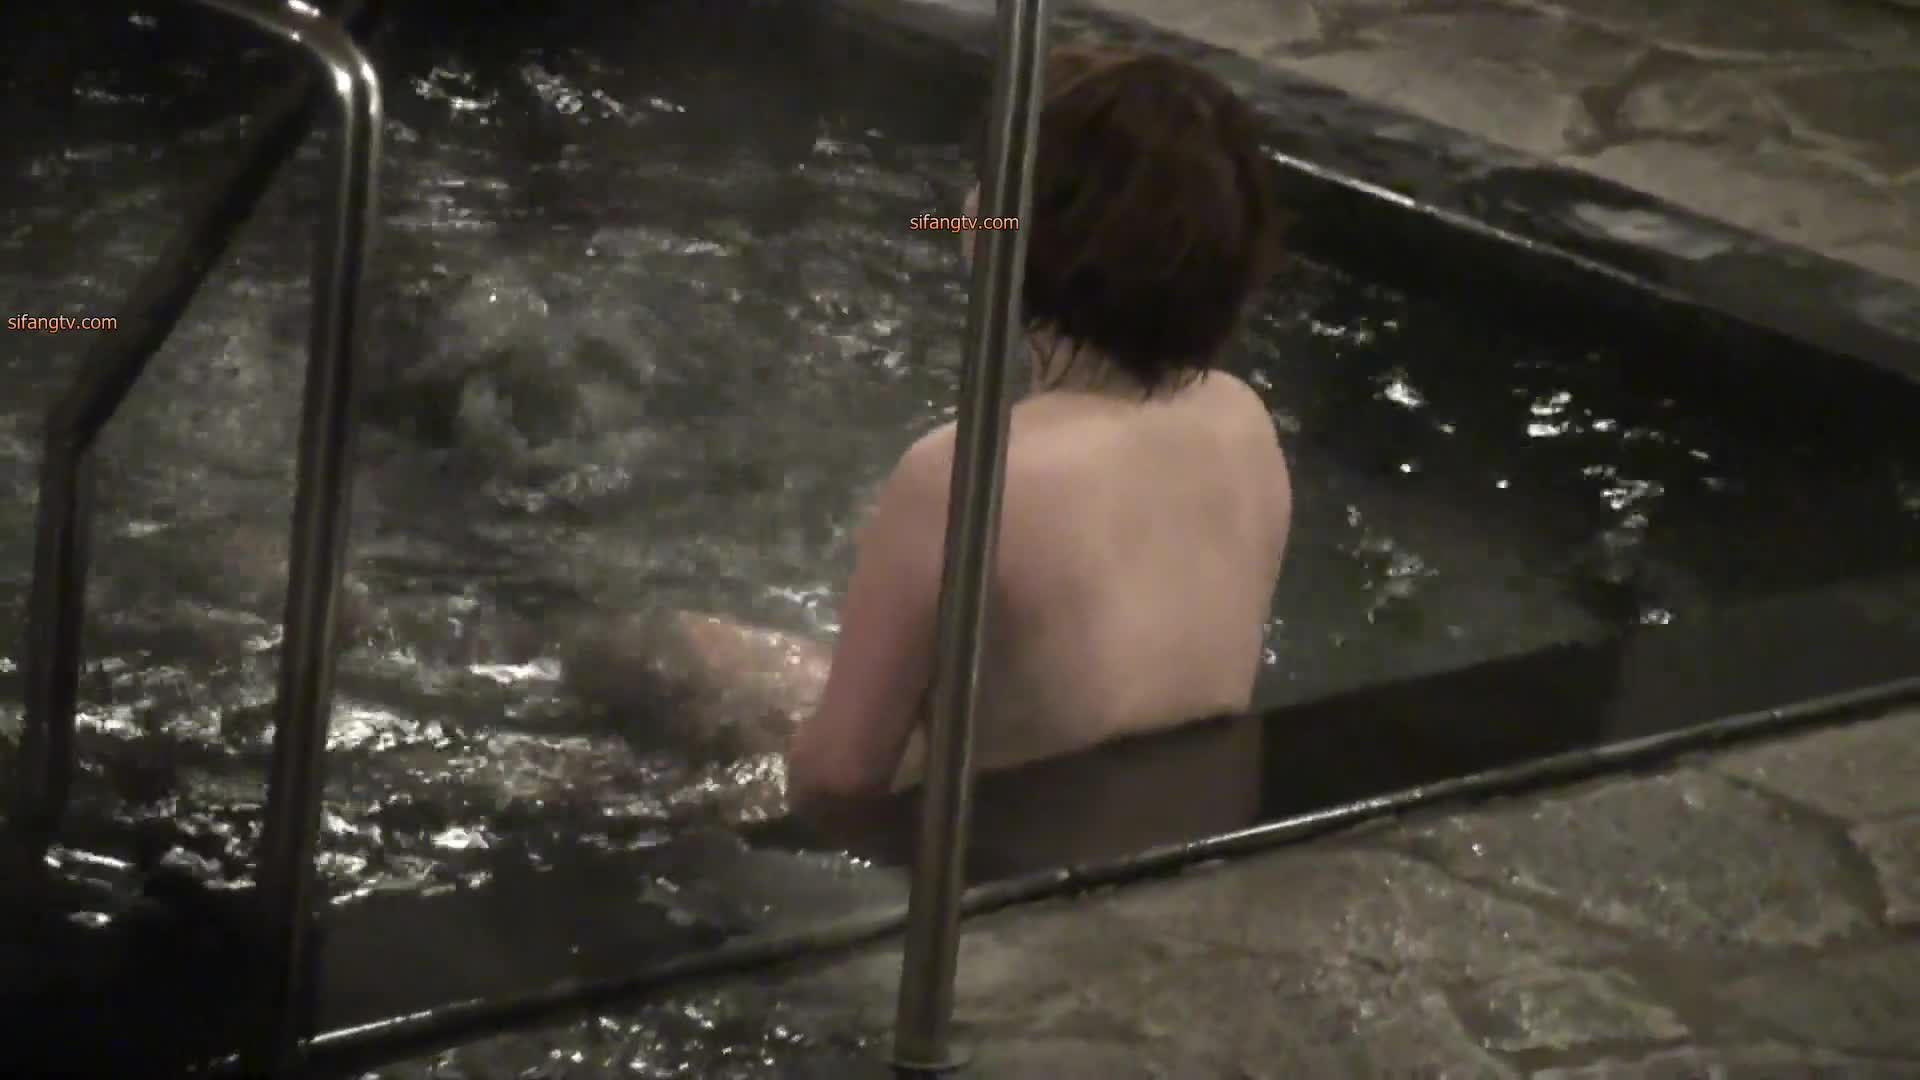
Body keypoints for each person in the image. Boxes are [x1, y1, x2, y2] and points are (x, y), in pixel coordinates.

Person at [562, 45, 1291, 817]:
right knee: (725, 654)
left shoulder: (971, 474)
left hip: (994, 852)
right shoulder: (1242, 419)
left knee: (641, 649)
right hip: (1188, 816)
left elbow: (840, 778)